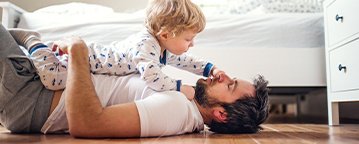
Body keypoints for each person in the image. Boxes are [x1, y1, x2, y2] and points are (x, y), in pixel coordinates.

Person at [0, 24, 269, 137]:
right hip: (33, 85)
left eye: (230, 85)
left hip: (30, 95)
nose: (222, 76)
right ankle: (29, 39)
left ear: (221, 114)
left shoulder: (176, 110)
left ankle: (31, 39)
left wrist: (80, 54)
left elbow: (87, 124)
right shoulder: (184, 105)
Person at [8, 0, 225, 98]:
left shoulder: (162, 47)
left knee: (38, 74)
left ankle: (28, 55)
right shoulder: (146, 46)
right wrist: (180, 88)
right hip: (84, 59)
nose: (192, 44)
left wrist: (210, 69)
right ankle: (34, 42)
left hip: (89, 60)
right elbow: (152, 77)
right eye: (189, 39)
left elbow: (185, 61)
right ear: (167, 34)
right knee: (52, 80)